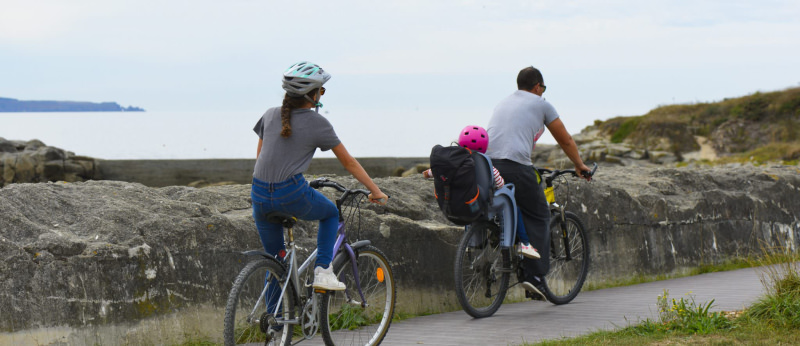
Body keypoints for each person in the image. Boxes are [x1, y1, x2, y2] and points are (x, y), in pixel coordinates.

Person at [251, 61, 389, 299]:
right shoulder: (318, 123)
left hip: (259, 194)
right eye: (321, 90)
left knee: (276, 261)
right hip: (290, 192)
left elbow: (261, 156)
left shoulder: (270, 114)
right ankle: (323, 271)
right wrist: (376, 191)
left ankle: (275, 328)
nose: (322, 94)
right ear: (312, 94)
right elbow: (349, 163)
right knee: (330, 213)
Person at [485, 66, 591, 300]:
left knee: (515, 206)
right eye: (542, 88)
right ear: (537, 87)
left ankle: (507, 243)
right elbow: (565, 139)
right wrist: (579, 165)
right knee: (540, 214)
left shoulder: (503, 102)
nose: (543, 92)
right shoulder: (541, 104)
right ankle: (533, 276)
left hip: (487, 166)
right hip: (515, 166)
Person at [422, 125, 540, 259]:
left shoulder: (456, 160)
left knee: (468, 195)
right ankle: (523, 243)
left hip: (463, 205)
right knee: (510, 200)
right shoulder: (485, 162)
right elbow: (500, 184)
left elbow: (432, 173)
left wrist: (428, 173)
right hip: (482, 203)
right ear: (484, 145)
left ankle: (471, 243)